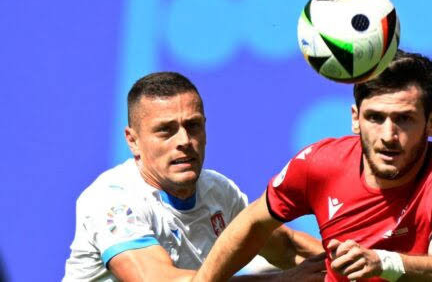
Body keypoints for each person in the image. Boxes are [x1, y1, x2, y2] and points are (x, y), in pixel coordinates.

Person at [194, 50, 432, 282]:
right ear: (355, 118)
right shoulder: (318, 164)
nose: (388, 136)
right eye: (375, 118)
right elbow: (253, 223)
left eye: (404, 119)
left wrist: (382, 262)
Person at [63, 72, 325, 281]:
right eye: (166, 131)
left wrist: (358, 265)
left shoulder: (220, 192)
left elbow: (288, 248)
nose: (185, 141)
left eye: (193, 125)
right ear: (133, 140)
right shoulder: (111, 200)